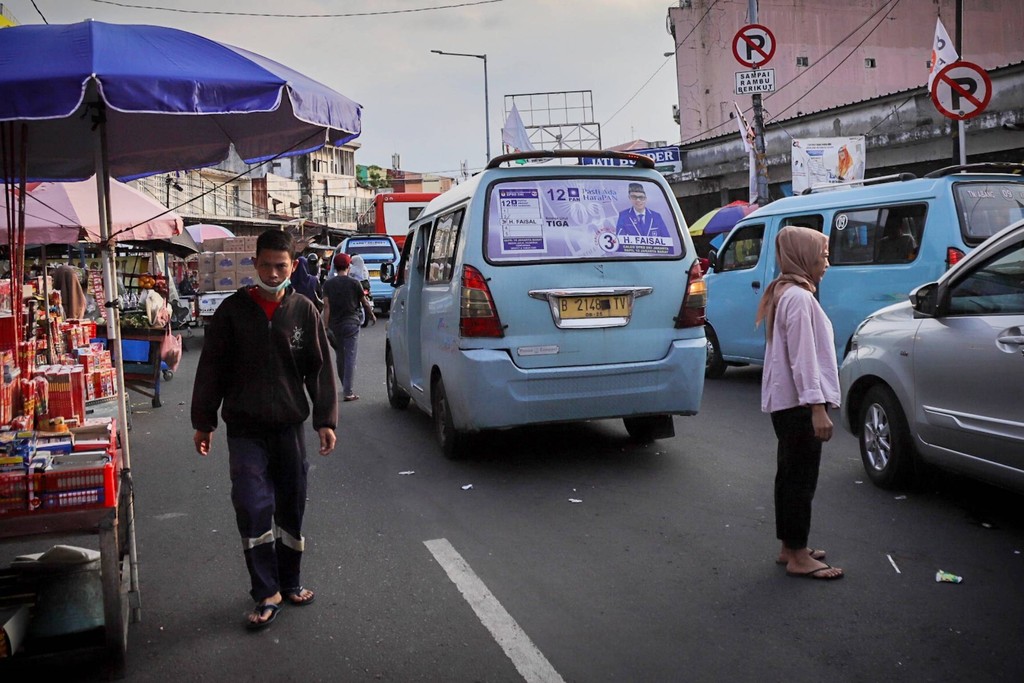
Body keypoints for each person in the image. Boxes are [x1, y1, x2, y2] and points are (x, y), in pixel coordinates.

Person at [191, 229, 338, 630]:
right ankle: (266, 591)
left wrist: (325, 420)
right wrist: (204, 422)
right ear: (254, 263)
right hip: (245, 430)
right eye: (266, 265)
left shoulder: (303, 310)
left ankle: (289, 581)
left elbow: (319, 370)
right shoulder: (232, 312)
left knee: (292, 504)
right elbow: (211, 370)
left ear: (293, 266)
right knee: (252, 503)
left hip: (289, 427)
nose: (273, 273)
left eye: (281, 266)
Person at [755, 225, 843, 581]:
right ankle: (798, 556)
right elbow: (803, 358)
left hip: (787, 403)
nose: (827, 264)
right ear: (804, 258)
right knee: (800, 479)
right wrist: (817, 408)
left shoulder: (786, 291)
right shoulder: (799, 297)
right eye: (823, 257)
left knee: (790, 475)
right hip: (799, 405)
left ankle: (790, 548)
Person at [322, 252, 375, 402]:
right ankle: (348, 391)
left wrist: (325, 326)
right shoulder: (354, 283)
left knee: (340, 356)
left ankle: (345, 385)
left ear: (335, 266)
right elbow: (364, 302)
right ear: (348, 267)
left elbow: (326, 306)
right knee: (350, 356)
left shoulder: (328, 284)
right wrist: (371, 315)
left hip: (334, 325)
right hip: (351, 323)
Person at [348, 254, 372, 327]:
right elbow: (368, 278)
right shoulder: (365, 268)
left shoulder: (352, 269)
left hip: (357, 288)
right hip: (365, 286)